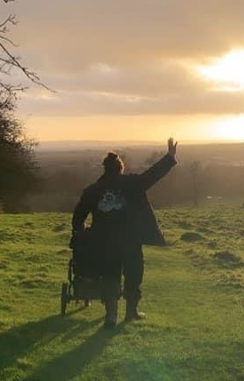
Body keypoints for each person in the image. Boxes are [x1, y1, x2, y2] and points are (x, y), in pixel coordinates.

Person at [71, 138, 178, 327]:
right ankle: (131, 312)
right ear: (120, 168)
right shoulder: (133, 184)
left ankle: (111, 315)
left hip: (104, 241)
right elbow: (153, 175)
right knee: (133, 275)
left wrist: (82, 234)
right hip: (130, 239)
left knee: (111, 275)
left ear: (105, 169)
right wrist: (169, 157)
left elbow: (78, 218)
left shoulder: (93, 190)